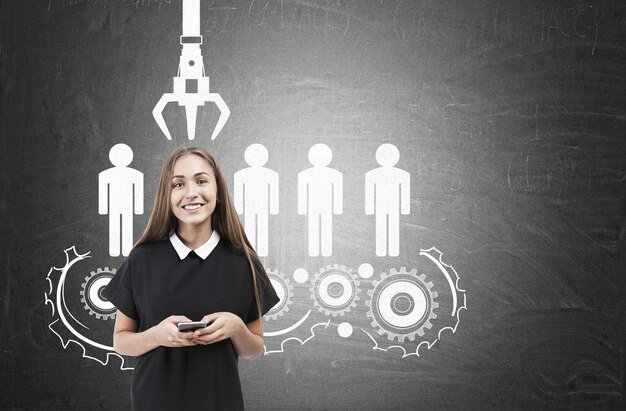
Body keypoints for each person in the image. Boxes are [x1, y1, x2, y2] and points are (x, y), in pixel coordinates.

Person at [103, 147, 279, 411]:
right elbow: (121, 341)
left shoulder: (244, 263)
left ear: (218, 192)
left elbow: (253, 349)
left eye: (201, 181)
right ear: (167, 195)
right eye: (178, 184)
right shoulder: (141, 260)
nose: (191, 193)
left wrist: (236, 328)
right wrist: (158, 336)